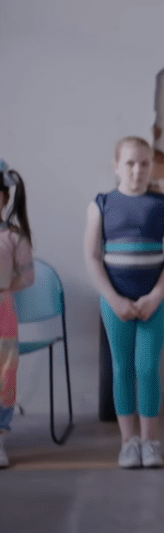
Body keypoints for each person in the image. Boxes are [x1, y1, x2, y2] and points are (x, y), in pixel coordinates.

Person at [83, 136, 164, 468]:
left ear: (151, 166)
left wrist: (155, 296)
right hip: (116, 304)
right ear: (116, 166)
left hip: (152, 303)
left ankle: (151, 440)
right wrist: (113, 299)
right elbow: (93, 257)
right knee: (122, 369)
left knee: (147, 368)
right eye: (129, 163)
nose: (137, 170)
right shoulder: (101, 204)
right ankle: (128, 442)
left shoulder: (163, 205)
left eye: (143, 163)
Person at [0, 159, 34, 469]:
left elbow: (27, 276)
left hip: (3, 316)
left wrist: (6, 285)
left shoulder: (13, 237)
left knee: (4, 375)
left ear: (5, 198)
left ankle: (0, 439)